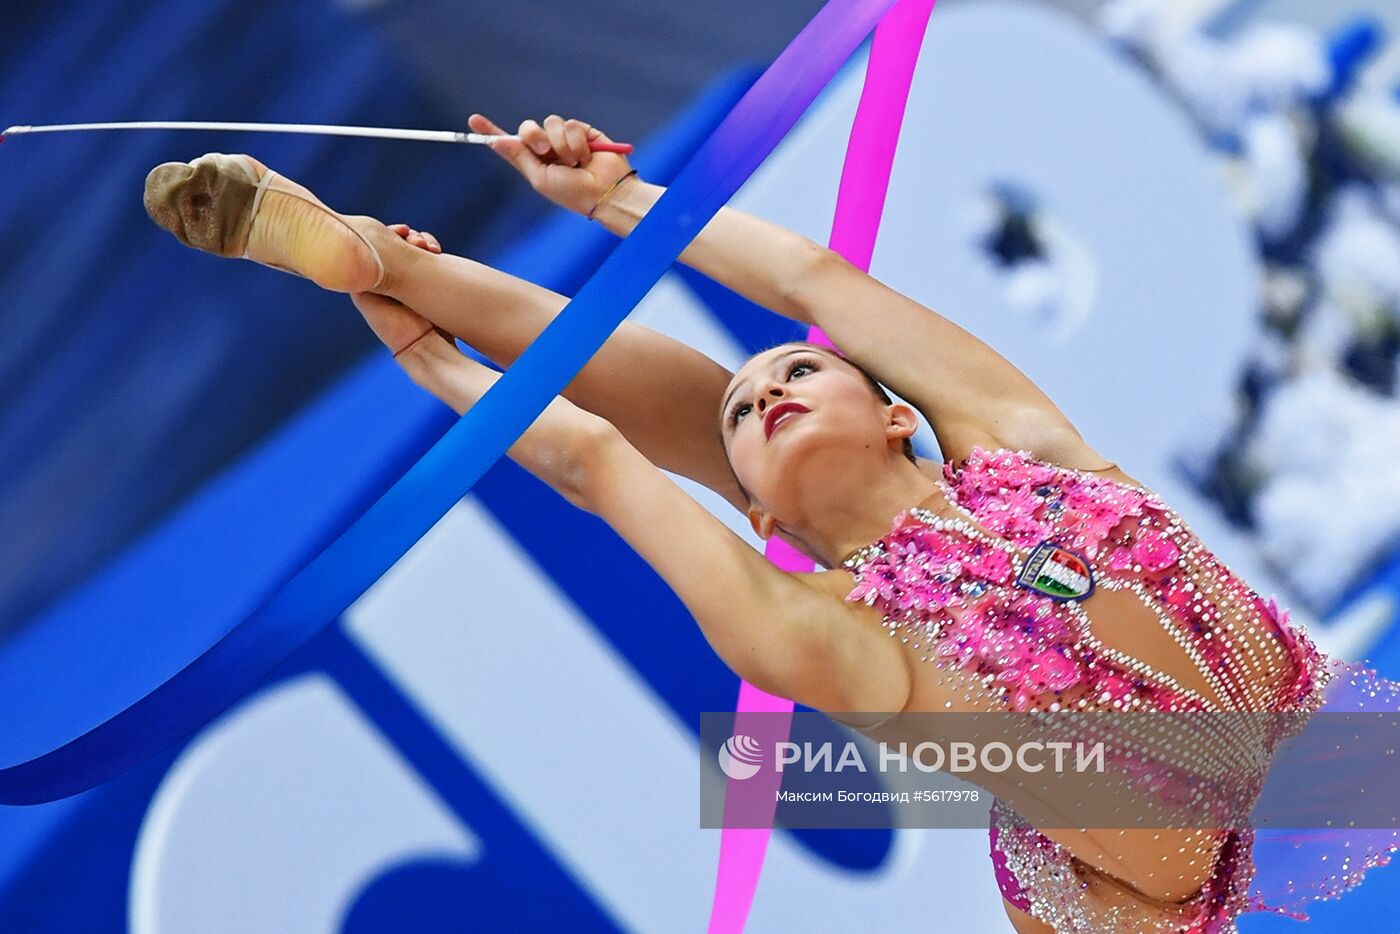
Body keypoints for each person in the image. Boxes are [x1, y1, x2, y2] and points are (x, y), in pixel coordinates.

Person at [141, 114, 1388, 932]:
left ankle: (382, 258)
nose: (773, 387)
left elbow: (810, 284)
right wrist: (442, 377)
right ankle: (378, 261)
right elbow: (594, 461)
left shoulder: (1018, 445)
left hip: (1317, 745)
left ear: (901, 412)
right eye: (746, 411)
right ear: (747, 505)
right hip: (1161, 886)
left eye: (797, 375)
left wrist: (618, 194)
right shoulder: (838, 638)